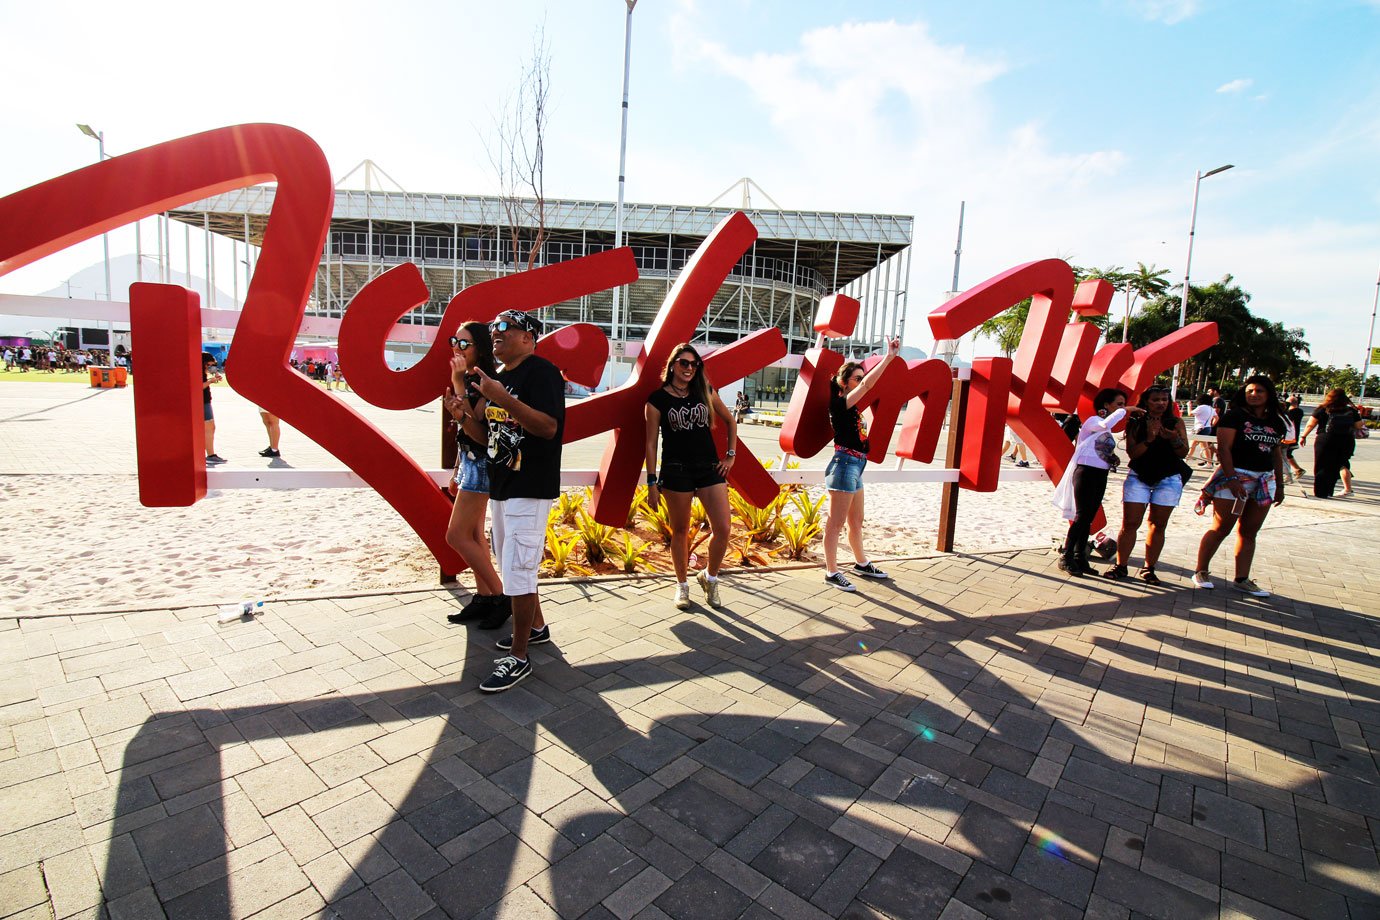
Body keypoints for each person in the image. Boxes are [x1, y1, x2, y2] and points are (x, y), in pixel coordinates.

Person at [473, 310, 565, 693]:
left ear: (529, 337)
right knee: (512, 562)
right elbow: (486, 438)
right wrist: (464, 417)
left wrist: (500, 398)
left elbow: (548, 427)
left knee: (519, 570)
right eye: (493, 328)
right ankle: (538, 628)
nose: (496, 333)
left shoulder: (541, 373)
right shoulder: (502, 378)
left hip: (530, 485)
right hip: (503, 484)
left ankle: (520, 655)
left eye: (505, 328)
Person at [644, 344, 737, 609]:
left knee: (723, 528)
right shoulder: (657, 400)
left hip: (709, 468)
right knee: (681, 532)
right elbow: (650, 444)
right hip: (676, 471)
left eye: (694, 364)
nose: (689, 368)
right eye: (684, 363)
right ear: (673, 365)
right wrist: (652, 482)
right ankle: (682, 586)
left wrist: (730, 456)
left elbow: (730, 421)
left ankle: (710, 577)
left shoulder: (705, 391)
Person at [1192, 375, 1286, 596]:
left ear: (1269, 394)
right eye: (1250, 391)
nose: (1253, 395)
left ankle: (1242, 578)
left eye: (1259, 391)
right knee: (1222, 527)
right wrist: (1232, 479)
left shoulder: (1276, 421)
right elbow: (1224, 449)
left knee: (1249, 532)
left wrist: (1280, 485)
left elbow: (1276, 454)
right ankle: (1201, 571)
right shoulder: (1234, 417)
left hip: (1264, 479)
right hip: (1234, 476)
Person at [821, 338, 900, 591]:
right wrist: (889, 358)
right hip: (844, 464)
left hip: (857, 465)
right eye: (856, 378)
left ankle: (861, 563)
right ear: (844, 384)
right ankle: (832, 572)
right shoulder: (839, 404)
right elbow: (868, 386)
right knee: (835, 522)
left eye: (860, 377)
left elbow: (866, 386)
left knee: (856, 521)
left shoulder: (852, 408)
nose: (861, 380)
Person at [441, 321, 506, 626]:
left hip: (481, 464)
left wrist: (457, 383)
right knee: (475, 536)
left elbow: (479, 434)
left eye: (465, 344)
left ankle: (501, 596)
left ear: (480, 349)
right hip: (469, 464)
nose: (458, 347)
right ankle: (485, 598)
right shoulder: (466, 379)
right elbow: (462, 435)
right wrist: (456, 471)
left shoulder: (484, 381)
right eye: (456, 341)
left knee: (456, 535)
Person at [1106, 385, 1188, 584]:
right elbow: (1133, 453)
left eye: (1164, 399)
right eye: (1156, 399)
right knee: (1130, 523)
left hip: (1168, 478)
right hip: (1139, 476)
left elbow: (1183, 453)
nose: (1161, 403)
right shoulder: (1136, 421)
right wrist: (1150, 439)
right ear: (1146, 402)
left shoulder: (1175, 422)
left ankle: (1149, 568)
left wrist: (1173, 439)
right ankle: (1121, 565)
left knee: (1158, 525)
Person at [1059, 388, 1142, 576]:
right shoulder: (1093, 421)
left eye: (1123, 404)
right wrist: (1126, 410)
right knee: (1081, 516)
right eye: (1118, 404)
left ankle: (1080, 556)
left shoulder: (1106, 428)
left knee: (1088, 517)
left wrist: (1111, 458)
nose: (1122, 408)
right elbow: (1105, 425)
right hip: (1085, 473)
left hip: (1099, 474)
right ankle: (1067, 556)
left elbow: (1099, 448)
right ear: (1106, 405)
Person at [1299, 388, 1365, 499]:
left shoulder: (1322, 409)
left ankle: (1320, 492)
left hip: (1325, 439)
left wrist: (1303, 436)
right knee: (1336, 466)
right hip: (1346, 441)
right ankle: (1329, 491)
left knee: (1321, 465)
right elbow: (1358, 426)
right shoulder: (1351, 410)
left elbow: (1311, 424)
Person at [202, 353, 225, 465]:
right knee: (209, 427)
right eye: (209, 365)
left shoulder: (203, 372)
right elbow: (198, 386)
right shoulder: (197, 372)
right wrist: (210, 381)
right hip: (202, 402)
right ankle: (210, 455)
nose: (211, 367)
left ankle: (210, 454)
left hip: (206, 401)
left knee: (211, 427)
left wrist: (214, 375)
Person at [1187, 395, 1217, 467]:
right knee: (1193, 444)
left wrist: (1189, 406)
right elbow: (1216, 417)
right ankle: (1187, 458)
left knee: (1203, 446)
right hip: (1207, 428)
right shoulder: (1211, 408)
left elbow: (1190, 413)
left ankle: (1209, 463)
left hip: (1200, 428)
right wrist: (1212, 424)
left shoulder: (1201, 407)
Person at [1282, 394, 1305, 481]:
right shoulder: (1300, 411)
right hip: (1294, 436)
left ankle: (1291, 473)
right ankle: (1297, 469)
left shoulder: (1291, 413)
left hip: (1289, 437)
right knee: (1288, 455)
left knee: (1285, 455)